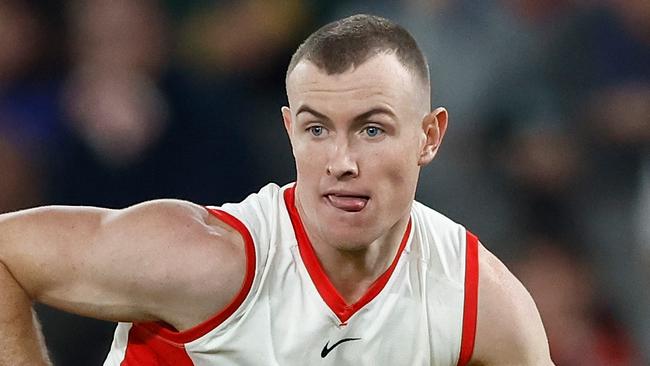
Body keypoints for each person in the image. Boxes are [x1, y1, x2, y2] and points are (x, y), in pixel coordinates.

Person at [0, 14, 554, 365]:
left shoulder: (481, 302)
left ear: (429, 137)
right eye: (317, 129)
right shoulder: (208, 258)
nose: (341, 162)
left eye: (372, 129)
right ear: (289, 132)